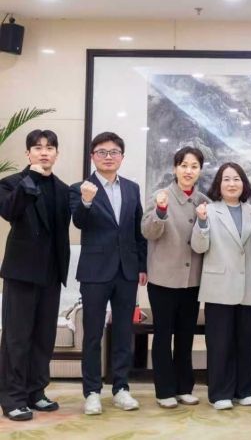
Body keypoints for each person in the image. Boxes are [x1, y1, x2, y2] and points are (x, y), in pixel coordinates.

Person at [69, 131, 148, 415]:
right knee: (92, 333)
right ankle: (92, 392)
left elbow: (138, 230)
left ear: (122, 157)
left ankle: (121, 388)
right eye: (102, 152)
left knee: (124, 331)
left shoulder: (132, 188)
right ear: (93, 156)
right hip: (94, 271)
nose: (108, 157)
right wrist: (86, 201)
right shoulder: (80, 188)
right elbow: (79, 222)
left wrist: (142, 265)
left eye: (114, 152)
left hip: (127, 270)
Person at [0, 130, 71, 421]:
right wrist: (30, 178)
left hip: (51, 274)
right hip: (21, 273)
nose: (44, 152)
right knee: (17, 338)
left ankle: (35, 391)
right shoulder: (11, 183)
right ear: (28, 153)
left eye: (50, 147)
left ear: (57, 153)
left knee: (44, 337)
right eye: (38, 147)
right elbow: (10, 211)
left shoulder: (63, 189)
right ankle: (12, 397)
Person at [191, 162, 251, 410]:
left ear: (244, 184)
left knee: (246, 341)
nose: (232, 184)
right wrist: (202, 223)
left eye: (236, 179)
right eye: (226, 179)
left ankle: (245, 390)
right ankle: (220, 393)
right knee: (219, 342)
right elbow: (199, 247)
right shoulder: (209, 211)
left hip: (248, 284)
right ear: (219, 184)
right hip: (218, 285)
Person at [141, 147, 209, 408]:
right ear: (175, 169)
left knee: (185, 336)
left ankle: (184, 387)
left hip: (192, 280)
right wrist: (160, 211)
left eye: (194, 166)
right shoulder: (161, 196)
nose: (188, 171)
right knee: (163, 336)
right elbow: (148, 232)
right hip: (163, 279)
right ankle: (164, 390)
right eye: (183, 165)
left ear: (199, 170)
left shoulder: (203, 200)